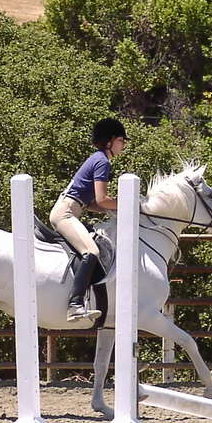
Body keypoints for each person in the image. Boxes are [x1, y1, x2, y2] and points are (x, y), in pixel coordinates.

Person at [50, 118, 128, 322]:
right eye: (121, 140)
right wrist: (129, 203)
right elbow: (103, 199)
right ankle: (75, 305)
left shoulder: (98, 158)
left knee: (97, 241)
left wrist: (114, 209)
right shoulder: (102, 161)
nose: (124, 144)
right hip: (66, 213)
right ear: (109, 141)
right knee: (91, 251)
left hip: (71, 209)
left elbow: (93, 204)